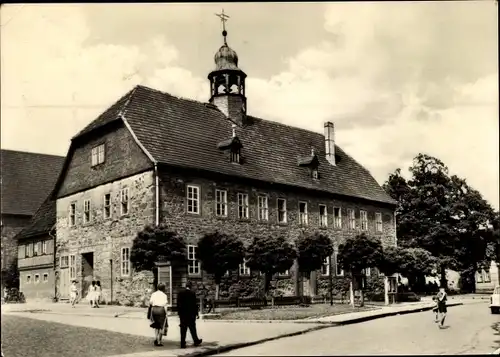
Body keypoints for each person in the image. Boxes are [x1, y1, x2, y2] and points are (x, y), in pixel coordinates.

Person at [177, 281, 202, 349]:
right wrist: (196, 313)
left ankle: (182, 343)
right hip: (191, 314)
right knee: (192, 328)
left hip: (183, 314)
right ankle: (196, 341)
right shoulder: (192, 293)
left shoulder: (180, 293)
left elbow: (178, 304)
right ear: (190, 286)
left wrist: (179, 313)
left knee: (183, 329)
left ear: (186, 286)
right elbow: (194, 304)